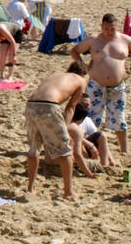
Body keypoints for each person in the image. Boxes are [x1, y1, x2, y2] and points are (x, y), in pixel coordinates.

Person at [71, 13, 131, 154]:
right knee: (91, 116)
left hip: (117, 86)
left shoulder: (125, 39)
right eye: (106, 28)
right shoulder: (93, 40)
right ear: (101, 26)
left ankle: (124, 150)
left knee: (118, 118)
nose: (109, 32)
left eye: (112, 29)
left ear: (116, 27)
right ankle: (88, 147)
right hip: (96, 84)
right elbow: (75, 50)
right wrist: (82, 65)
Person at [24, 63, 90, 200]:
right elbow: (71, 106)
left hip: (31, 105)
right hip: (49, 105)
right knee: (65, 151)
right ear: (83, 74)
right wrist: (65, 127)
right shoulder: (81, 80)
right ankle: (68, 191)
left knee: (33, 149)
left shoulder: (56, 76)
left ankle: (31, 187)